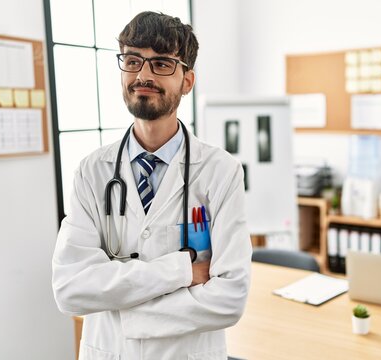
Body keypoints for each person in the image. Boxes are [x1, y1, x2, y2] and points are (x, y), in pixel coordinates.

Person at [52, 11, 252, 360]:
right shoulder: (92, 172)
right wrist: (182, 270)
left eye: (161, 63)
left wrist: (125, 313)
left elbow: (230, 297)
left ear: (187, 81)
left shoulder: (221, 171)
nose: (143, 74)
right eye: (132, 60)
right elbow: (70, 289)